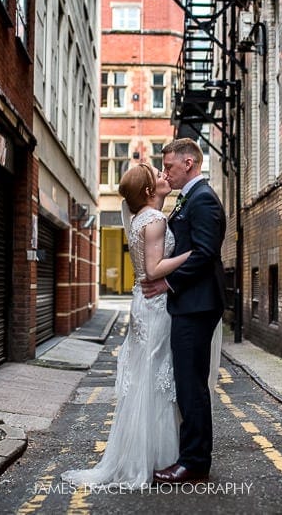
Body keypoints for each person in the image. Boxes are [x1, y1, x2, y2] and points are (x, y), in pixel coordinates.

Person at [61, 163, 190, 488]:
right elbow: (153, 268)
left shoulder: (137, 220)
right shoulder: (156, 220)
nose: (163, 176)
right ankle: (158, 458)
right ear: (148, 191)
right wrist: (190, 256)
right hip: (155, 304)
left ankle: (139, 453)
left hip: (141, 303)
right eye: (156, 176)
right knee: (156, 373)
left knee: (146, 373)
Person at [142, 138, 227, 484]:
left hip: (196, 304)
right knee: (187, 382)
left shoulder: (203, 199)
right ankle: (191, 457)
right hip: (191, 304)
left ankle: (194, 463)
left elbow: (205, 253)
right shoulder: (189, 198)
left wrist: (168, 283)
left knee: (191, 385)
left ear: (189, 163)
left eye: (170, 167)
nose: (166, 172)